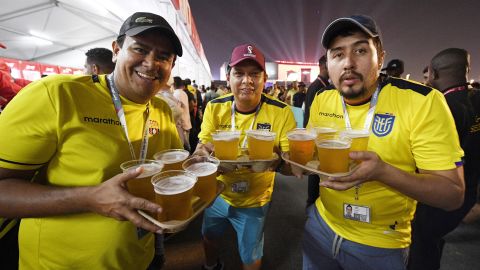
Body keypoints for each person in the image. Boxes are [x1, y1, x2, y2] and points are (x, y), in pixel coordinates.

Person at [0, 12, 184, 269]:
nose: (151, 63)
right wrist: (89, 198)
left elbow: (166, 175)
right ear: (116, 50)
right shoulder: (58, 95)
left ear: (172, 65)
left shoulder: (162, 110)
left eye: (163, 56)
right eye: (140, 49)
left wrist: (194, 168)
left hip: (141, 258)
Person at [304, 15, 464, 270]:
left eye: (360, 50)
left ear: (380, 56)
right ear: (328, 63)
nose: (348, 63)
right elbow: (310, 155)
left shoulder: (422, 101)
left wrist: (383, 172)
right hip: (321, 224)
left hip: (381, 242)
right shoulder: (323, 99)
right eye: (337, 54)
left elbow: (453, 195)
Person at [195, 44, 296, 270]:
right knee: (209, 237)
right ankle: (211, 266)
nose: (246, 81)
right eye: (239, 73)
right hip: (218, 193)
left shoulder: (281, 111)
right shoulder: (215, 107)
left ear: (265, 78)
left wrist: (279, 163)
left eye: (254, 74)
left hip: (255, 200)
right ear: (228, 77)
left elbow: (292, 166)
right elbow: (202, 145)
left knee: (250, 256)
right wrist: (201, 154)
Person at [408, 48, 480, 270]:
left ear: (434, 73)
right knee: (434, 240)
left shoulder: (440, 106)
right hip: (468, 193)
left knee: (420, 245)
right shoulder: (477, 99)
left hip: (437, 195)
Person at [304, 55, 331, 208]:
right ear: (323, 66)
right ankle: (311, 206)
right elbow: (311, 116)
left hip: (318, 137)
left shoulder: (320, 85)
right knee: (315, 174)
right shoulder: (318, 87)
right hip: (316, 137)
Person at [172, 76, 192, 150]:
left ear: (173, 84)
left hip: (182, 126)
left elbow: (177, 112)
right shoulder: (183, 93)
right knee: (187, 145)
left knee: (184, 147)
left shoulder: (176, 94)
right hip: (186, 123)